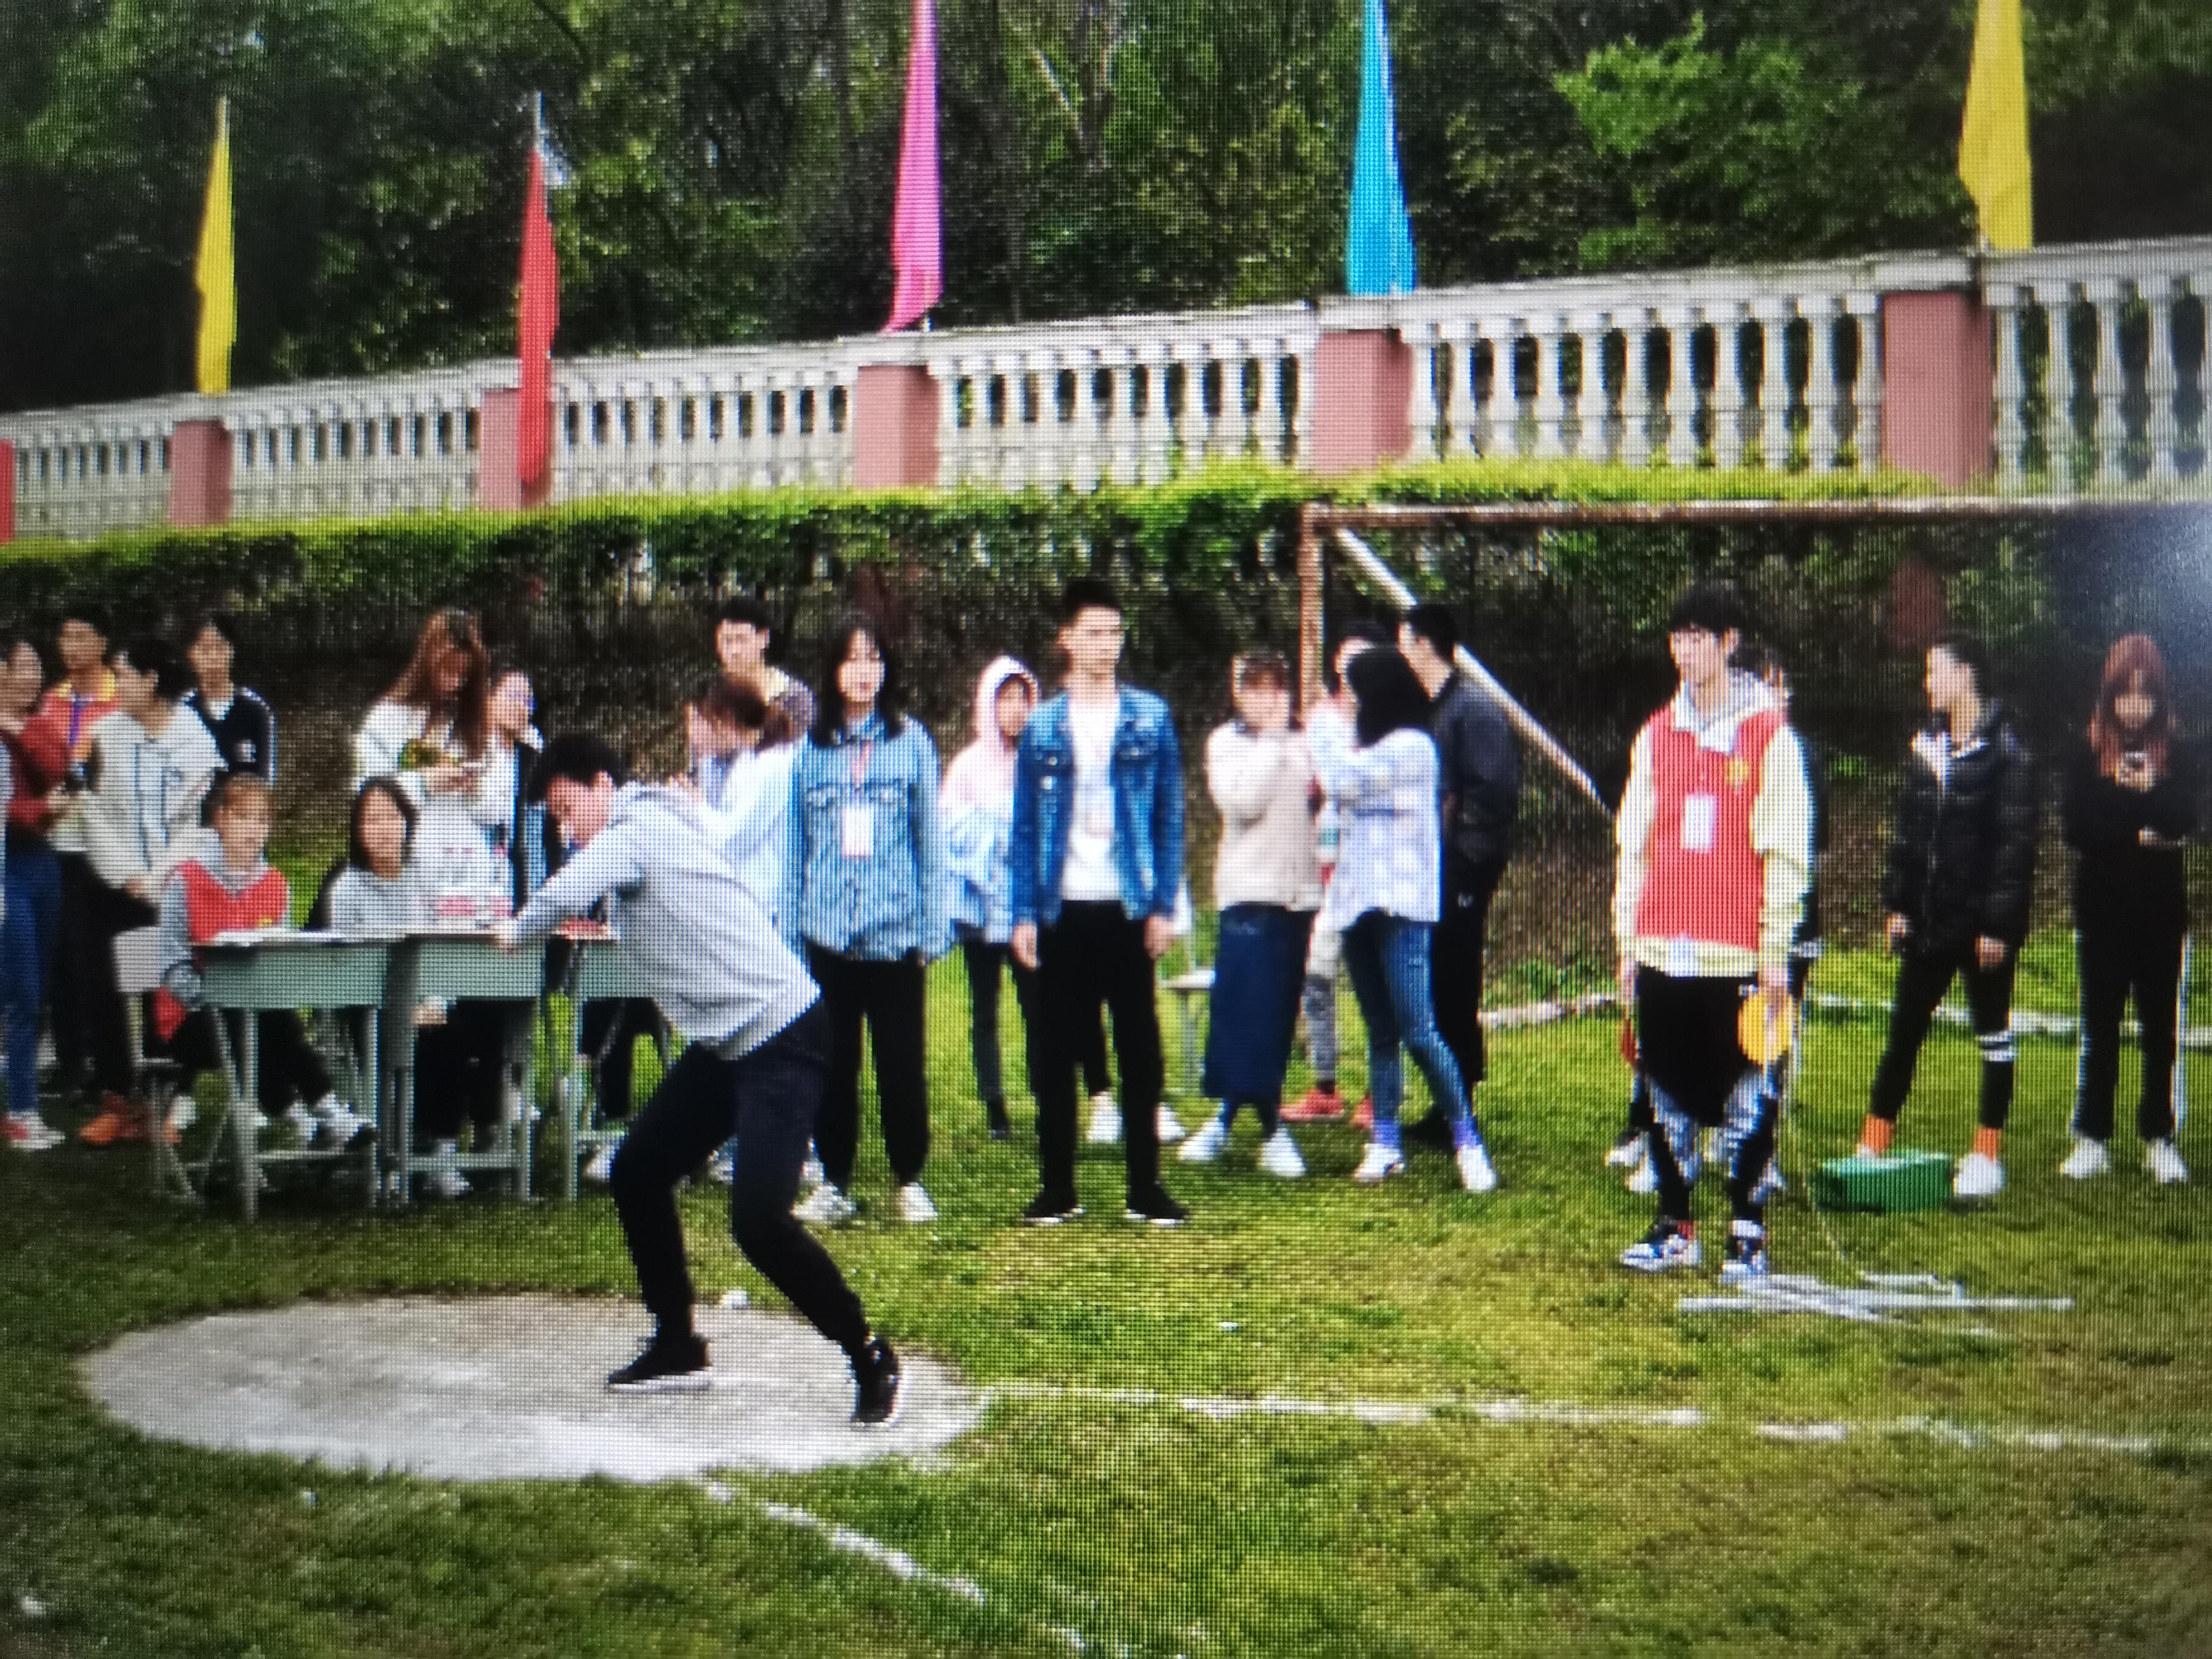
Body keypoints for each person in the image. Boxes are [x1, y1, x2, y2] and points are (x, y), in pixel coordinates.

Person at [497, 734, 904, 1424]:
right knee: (638, 1170)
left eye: (568, 809)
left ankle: (869, 1356)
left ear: (604, 787)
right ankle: (678, 1345)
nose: (567, 831)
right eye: (556, 820)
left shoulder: (637, 828)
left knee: (759, 1223)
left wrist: (515, 931)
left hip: (782, 1033)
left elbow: (568, 888)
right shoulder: (647, 828)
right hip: (728, 1042)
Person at [1613, 582, 1812, 1279]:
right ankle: (1675, 1225)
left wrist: (1773, 953)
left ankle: (1747, 1232)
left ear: (1729, 643)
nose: (1685, 650)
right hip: (1663, 948)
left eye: (1698, 636)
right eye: (1677, 637)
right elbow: (1634, 845)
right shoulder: (1655, 735)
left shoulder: (1769, 736)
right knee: (1664, 1089)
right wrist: (1629, 942)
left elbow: (1785, 852)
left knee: (1746, 1092)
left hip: (1736, 956)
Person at [1009, 576, 1189, 1226]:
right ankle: (1058, 1188)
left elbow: (1170, 818)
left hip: (1126, 904)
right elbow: (1024, 827)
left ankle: (1145, 1187)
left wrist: (1163, 905)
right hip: (1062, 906)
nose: (1107, 644)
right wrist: (1022, 913)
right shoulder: (1043, 725)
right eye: (1093, 632)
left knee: (1139, 1048)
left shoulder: (1149, 717)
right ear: (1066, 639)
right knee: (1055, 1051)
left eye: (1115, 632)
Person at [1310, 647, 1499, 1194]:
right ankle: (1386, 1143)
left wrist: (1321, 727)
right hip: (1355, 903)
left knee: (1420, 1032)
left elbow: (1344, 782)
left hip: (1402, 906)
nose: (1348, 702)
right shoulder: (1359, 747)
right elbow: (1333, 810)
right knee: (1381, 1032)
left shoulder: (1414, 746)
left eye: (1354, 691)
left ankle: (1467, 1141)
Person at [782, 617, 947, 1228]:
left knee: (901, 1065)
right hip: (828, 934)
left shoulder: (912, 742)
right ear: (833, 671)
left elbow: (931, 842)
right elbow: (793, 851)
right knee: (833, 1067)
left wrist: (933, 929)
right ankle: (834, 1182)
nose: (862, 672)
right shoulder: (809, 749)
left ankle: (909, 1178)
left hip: (895, 934)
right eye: (851, 659)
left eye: (873, 658)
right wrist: (792, 937)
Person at [1860, 630, 2037, 1200]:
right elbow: (1908, 836)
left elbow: (2014, 850)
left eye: (1936, 670)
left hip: (1981, 930)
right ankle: (1872, 1146)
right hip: (1929, 924)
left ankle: (1986, 1155)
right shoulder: (1927, 747)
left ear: (1965, 676)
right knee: (1903, 1034)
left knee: (1993, 1036)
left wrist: (1998, 926)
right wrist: (1898, 905)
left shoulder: (2008, 754)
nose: (1927, 682)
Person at [152, 774, 365, 1147]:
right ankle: (321, 1114)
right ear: (220, 819)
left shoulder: (276, 884)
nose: (253, 828)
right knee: (252, 1021)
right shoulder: (183, 881)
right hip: (191, 1017)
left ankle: (316, 1118)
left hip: (257, 1009)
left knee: (267, 1019)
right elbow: (172, 966)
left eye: (262, 820)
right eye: (243, 816)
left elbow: (279, 959)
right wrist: (215, 996)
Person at [325, 778, 506, 1198]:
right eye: (373, 819)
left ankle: (446, 1150)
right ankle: (393, 1157)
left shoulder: (426, 876)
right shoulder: (347, 888)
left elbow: (440, 951)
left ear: (408, 822)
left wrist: (435, 1001)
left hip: (429, 1002)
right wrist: (398, 1009)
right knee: (427, 1037)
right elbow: (345, 969)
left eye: (393, 817)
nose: (385, 829)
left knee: (468, 1022)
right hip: (372, 1010)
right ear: (358, 829)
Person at [76, 637, 223, 1146]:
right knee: (106, 987)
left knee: (164, 990)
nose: (116, 685)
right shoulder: (104, 734)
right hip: (113, 887)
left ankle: (163, 1104)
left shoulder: (194, 739)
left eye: (123, 675)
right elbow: (91, 811)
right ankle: (117, 1101)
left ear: (151, 679)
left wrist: (157, 878)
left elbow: (195, 826)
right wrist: (126, 875)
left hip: (169, 889)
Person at [2060, 635, 2193, 1186]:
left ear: (2159, 697)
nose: (2134, 707)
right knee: (2100, 1028)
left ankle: (2159, 1138)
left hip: (2161, 917)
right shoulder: (2085, 753)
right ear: (2109, 695)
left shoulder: (2179, 754)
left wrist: (2150, 790)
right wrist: (2139, 819)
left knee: (2161, 1031)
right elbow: (2077, 828)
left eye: (2144, 695)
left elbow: (2186, 819)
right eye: (2124, 694)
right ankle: (2092, 1137)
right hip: (2101, 915)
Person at [1180, 652, 1319, 1178]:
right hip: (1248, 895)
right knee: (1243, 1013)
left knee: (1277, 1017)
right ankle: (1270, 1130)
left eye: (1274, 688)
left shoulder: (1304, 742)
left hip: (1297, 897)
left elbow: (1318, 804)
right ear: (1238, 694)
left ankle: (1226, 1121)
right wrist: (1272, 741)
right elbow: (1244, 804)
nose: (1265, 699)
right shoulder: (1227, 743)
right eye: (1253, 689)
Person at [1396, 604, 1521, 1147]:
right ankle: (1445, 1102)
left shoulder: (1473, 707)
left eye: (1403, 643)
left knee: (1456, 974)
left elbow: (1495, 791)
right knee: (1439, 978)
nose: (1400, 654)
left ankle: (1460, 1100)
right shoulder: (1430, 708)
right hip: (1435, 867)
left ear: (1424, 645)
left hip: (1464, 866)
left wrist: (1461, 855)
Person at [1284, 622, 1387, 1128]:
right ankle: (1325, 1087)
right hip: (1324, 865)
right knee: (1317, 975)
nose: (1353, 669)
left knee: (1375, 986)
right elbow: (1311, 784)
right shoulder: (1319, 721)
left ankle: (1377, 1095)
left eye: (1364, 657)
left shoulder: (1389, 721)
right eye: (1347, 658)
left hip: (1372, 869)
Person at [940, 656, 1044, 1141]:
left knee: (1038, 1008)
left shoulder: (1042, 758)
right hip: (981, 911)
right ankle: (995, 1106)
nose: (1016, 709)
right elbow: (948, 829)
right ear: (989, 704)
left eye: (1023, 699)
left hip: (1027, 911)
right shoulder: (967, 764)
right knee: (985, 1008)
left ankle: (1046, 1098)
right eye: (1006, 699)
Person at [354, 609, 504, 911]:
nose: (454, 683)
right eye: (447, 671)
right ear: (427, 663)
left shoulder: (480, 728)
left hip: (468, 873)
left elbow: (500, 810)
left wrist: (475, 790)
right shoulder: (386, 718)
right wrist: (423, 784)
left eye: (463, 675)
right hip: (409, 869)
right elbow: (365, 796)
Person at [36, 602, 119, 1097]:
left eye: (81, 637)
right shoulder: (51, 700)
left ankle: (113, 1063)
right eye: (65, 637)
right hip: (58, 842)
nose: (70, 647)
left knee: (102, 954)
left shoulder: (120, 698)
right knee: (63, 951)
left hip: (104, 846)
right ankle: (71, 1061)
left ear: (102, 644)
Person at [1, 633, 70, 1151]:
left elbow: (61, 772)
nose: (33, 676)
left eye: (35, 666)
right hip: (8, 867)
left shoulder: (39, 723)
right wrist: (42, 810)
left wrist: (22, 732)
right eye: (22, 666)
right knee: (22, 993)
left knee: (37, 990)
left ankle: (23, 1102)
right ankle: (22, 1112)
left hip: (43, 864)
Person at [182, 612, 276, 784]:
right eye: (205, 650)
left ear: (231, 651)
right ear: (190, 655)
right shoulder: (183, 713)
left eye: (220, 648)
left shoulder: (256, 711)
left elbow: (264, 779)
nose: (213, 658)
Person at [714, 595, 815, 736]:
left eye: (741, 640)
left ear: (764, 638)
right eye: (727, 641)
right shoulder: (712, 697)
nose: (734, 651)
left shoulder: (795, 696)